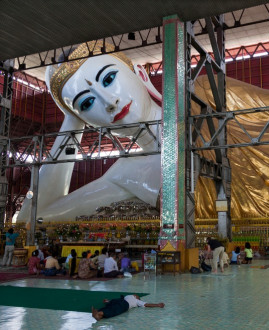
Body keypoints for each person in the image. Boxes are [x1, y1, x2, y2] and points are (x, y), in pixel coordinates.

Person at [16, 41, 162, 223]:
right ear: (89, 123)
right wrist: (72, 120)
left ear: (140, 74)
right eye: (87, 103)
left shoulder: (201, 106)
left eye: (109, 79)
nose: (110, 102)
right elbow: (31, 221)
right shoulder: (126, 172)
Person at [91, 294, 164, 321]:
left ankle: (100, 313)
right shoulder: (128, 296)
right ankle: (98, 313)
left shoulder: (137, 301)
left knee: (114, 309)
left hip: (125, 305)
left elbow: (146, 304)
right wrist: (108, 301)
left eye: (137, 296)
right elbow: (116, 300)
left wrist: (157, 305)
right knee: (110, 305)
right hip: (120, 301)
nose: (136, 295)